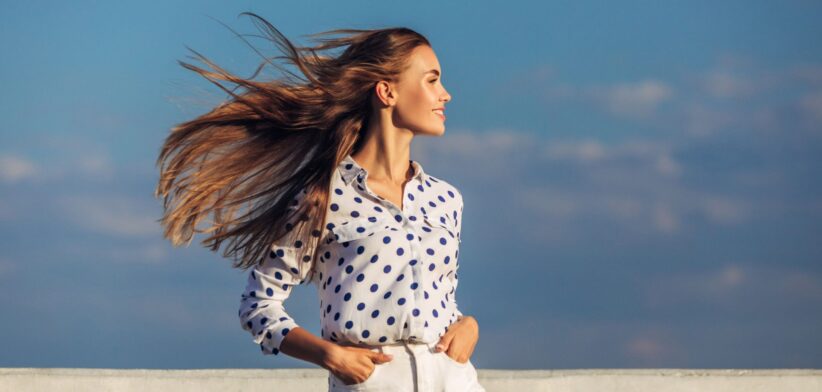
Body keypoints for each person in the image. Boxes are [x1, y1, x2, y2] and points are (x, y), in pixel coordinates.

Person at [155, 12, 484, 391]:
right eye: (432, 80)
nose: (446, 93)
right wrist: (330, 355)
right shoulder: (325, 197)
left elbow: (436, 299)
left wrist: (468, 324)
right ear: (387, 92)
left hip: (453, 380)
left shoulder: (446, 199)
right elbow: (258, 307)